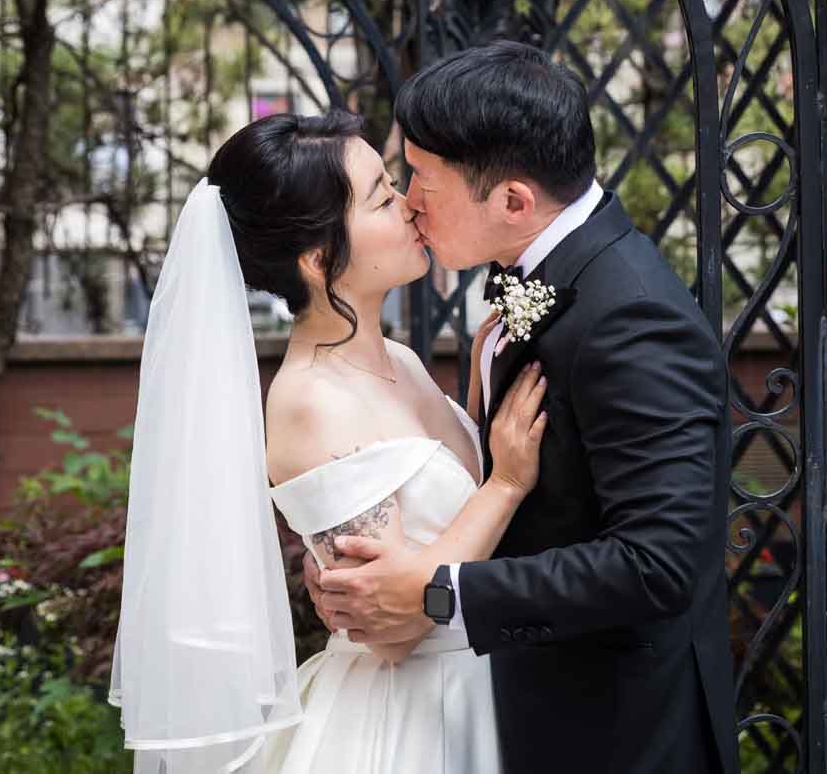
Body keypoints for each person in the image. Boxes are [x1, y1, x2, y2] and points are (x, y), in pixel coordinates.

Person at [305, 41, 738, 774]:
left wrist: (438, 591)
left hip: (612, 734)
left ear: (513, 201)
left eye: (424, 179)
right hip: (518, 709)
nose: (409, 200)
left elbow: (659, 562)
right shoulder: (542, 275)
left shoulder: (631, 316)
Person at [110, 109, 549, 774]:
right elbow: (397, 631)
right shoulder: (310, 402)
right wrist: (506, 484)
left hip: (481, 687)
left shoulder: (397, 359)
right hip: (411, 717)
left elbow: (429, 548)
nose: (409, 207)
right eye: (381, 197)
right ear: (319, 260)